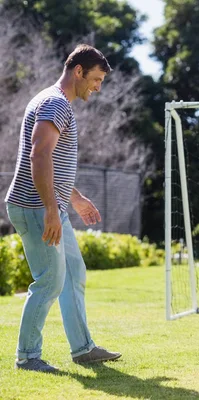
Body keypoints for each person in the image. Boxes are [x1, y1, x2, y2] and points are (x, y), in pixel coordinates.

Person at [5, 44, 122, 373]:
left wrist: (74, 198)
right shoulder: (55, 103)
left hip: (49, 205)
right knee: (49, 282)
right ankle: (28, 357)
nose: (98, 87)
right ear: (79, 71)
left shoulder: (55, 102)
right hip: (35, 208)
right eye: (96, 79)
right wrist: (50, 211)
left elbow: (51, 163)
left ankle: (83, 349)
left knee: (73, 273)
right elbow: (38, 156)